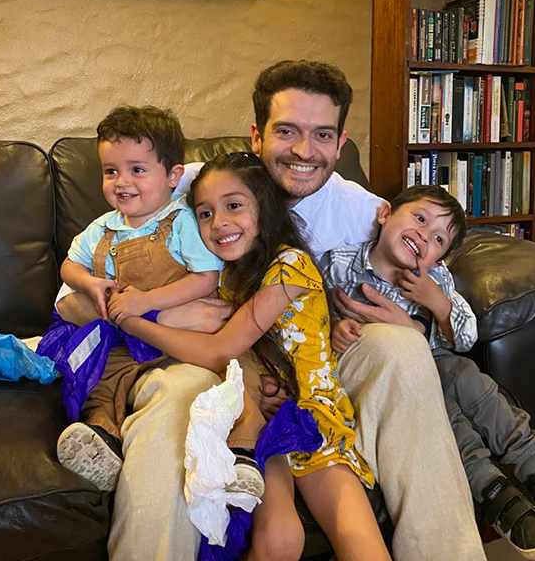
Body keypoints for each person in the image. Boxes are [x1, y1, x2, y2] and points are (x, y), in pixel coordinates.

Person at [107, 60, 486, 561]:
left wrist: (419, 322)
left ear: (340, 141)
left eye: (322, 135)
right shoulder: (187, 186)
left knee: (402, 347)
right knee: (179, 392)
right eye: (286, 131)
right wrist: (156, 314)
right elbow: (103, 270)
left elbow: (430, 258)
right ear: (257, 135)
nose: (305, 152)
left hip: (316, 361)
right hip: (221, 366)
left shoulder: (363, 209)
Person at [119, 151, 392, 561]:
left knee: (362, 547)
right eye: (205, 213)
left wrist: (136, 321)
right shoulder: (216, 277)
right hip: (260, 420)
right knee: (280, 539)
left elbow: (219, 349)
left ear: (263, 207)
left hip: (313, 417)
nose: (219, 223)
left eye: (234, 206)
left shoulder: (290, 266)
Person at [322, 184, 535, 560]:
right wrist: (333, 329)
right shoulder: (338, 264)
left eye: (437, 238)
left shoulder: (435, 280)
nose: (423, 235)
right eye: (419, 218)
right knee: (446, 414)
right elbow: (309, 315)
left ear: (440, 257)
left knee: (475, 383)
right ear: (385, 213)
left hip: (441, 361)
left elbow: (465, 336)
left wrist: (436, 303)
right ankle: (493, 492)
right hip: (386, 373)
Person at [55, 105, 267, 495]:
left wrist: (145, 302)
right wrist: (88, 283)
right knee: (103, 374)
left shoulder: (182, 220)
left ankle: (241, 454)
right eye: (110, 170)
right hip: (127, 337)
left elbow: (205, 279)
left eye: (137, 169)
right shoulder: (102, 227)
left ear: (173, 176)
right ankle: (102, 437)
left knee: (238, 372)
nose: (122, 182)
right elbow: (68, 266)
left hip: (184, 337)